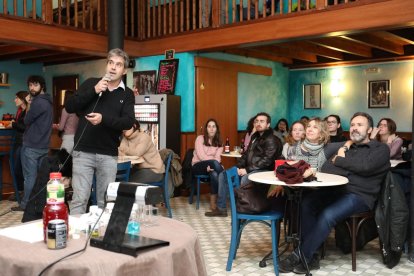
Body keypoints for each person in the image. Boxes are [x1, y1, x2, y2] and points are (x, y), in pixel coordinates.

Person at [279, 112, 390, 274]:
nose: (355, 128)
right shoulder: (348, 148)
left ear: (369, 130)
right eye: (352, 125)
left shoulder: (380, 149)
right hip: (337, 191)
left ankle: (299, 255)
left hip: (360, 196)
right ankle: (313, 255)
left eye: (360, 125)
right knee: (307, 203)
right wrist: (347, 164)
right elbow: (327, 168)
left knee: (327, 214)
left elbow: (365, 167)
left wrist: (340, 161)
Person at [65, 48, 135, 214]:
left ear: (124, 70)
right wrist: (94, 91)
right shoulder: (91, 83)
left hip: (108, 154)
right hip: (83, 151)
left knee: (106, 201)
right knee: (79, 199)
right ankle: (77, 237)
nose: (113, 67)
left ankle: (102, 237)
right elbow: (70, 106)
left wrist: (103, 119)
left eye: (118, 64)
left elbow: (128, 122)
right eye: (110, 63)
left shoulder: (127, 94)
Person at [206, 112, 282, 217]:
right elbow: (246, 155)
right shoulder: (254, 137)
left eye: (262, 121)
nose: (258, 123)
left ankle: (242, 208)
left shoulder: (271, 139)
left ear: (268, 125)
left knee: (245, 178)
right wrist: (238, 166)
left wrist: (247, 170)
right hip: (250, 168)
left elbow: (266, 161)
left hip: (263, 171)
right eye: (257, 121)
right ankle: (221, 208)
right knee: (223, 175)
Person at [12, 76, 53, 212]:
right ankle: (39, 204)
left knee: (30, 177)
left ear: (42, 86)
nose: (31, 88)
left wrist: (29, 104)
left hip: (32, 145)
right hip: (44, 145)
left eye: (35, 85)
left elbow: (26, 120)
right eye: (30, 85)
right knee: (41, 177)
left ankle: (25, 205)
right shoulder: (48, 101)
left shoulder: (37, 102)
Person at [191, 119, 224, 214]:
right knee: (215, 164)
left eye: (214, 126)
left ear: (217, 129)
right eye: (209, 126)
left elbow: (218, 158)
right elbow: (201, 156)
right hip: (198, 166)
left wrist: (212, 164)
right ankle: (225, 177)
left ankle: (213, 204)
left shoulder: (219, 142)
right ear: (206, 129)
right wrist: (211, 162)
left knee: (214, 174)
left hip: (211, 167)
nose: (211, 129)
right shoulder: (200, 138)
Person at [10, 91, 29, 199]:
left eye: (16, 98)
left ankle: (22, 192)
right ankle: (20, 191)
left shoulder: (27, 111)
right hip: (19, 142)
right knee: (18, 168)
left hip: (23, 142)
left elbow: (25, 127)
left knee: (19, 168)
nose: (14, 100)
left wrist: (13, 124)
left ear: (22, 99)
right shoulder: (22, 111)